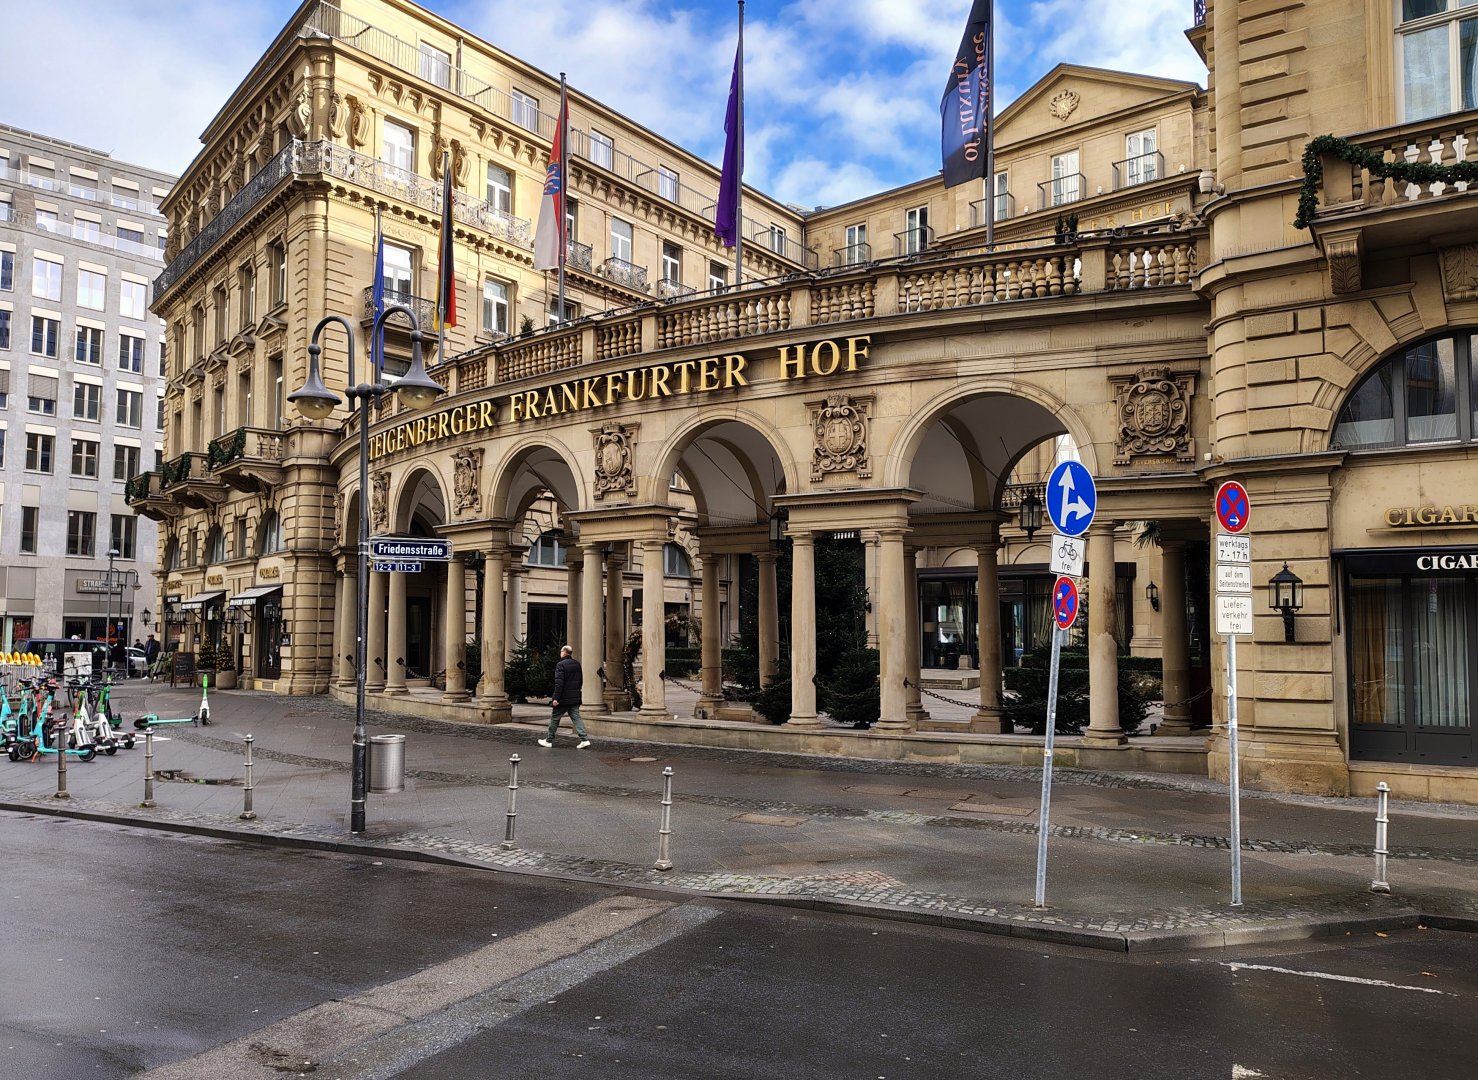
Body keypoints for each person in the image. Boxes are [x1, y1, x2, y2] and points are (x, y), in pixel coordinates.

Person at [539, 644, 590, 748]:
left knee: (555, 718)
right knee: (576, 718)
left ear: (564, 652)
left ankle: (548, 740)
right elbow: (580, 681)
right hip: (574, 697)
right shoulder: (577, 664)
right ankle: (584, 739)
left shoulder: (560, 665)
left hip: (563, 698)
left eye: (561, 652)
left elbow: (559, 683)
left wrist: (556, 698)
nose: (560, 653)